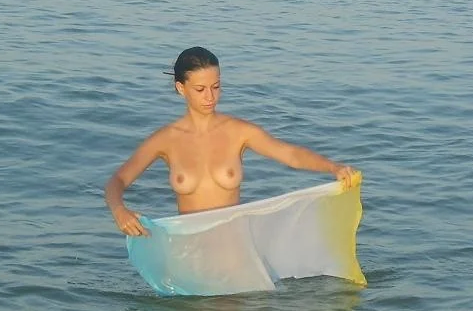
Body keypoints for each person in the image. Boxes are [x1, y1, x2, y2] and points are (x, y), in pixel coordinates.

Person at [105, 47, 359, 236]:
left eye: (216, 87)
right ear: (181, 88)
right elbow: (118, 180)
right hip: (188, 247)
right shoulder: (165, 140)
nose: (210, 97)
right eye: (200, 89)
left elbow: (290, 155)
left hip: (232, 245)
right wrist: (119, 210)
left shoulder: (239, 132)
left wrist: (332, 167)